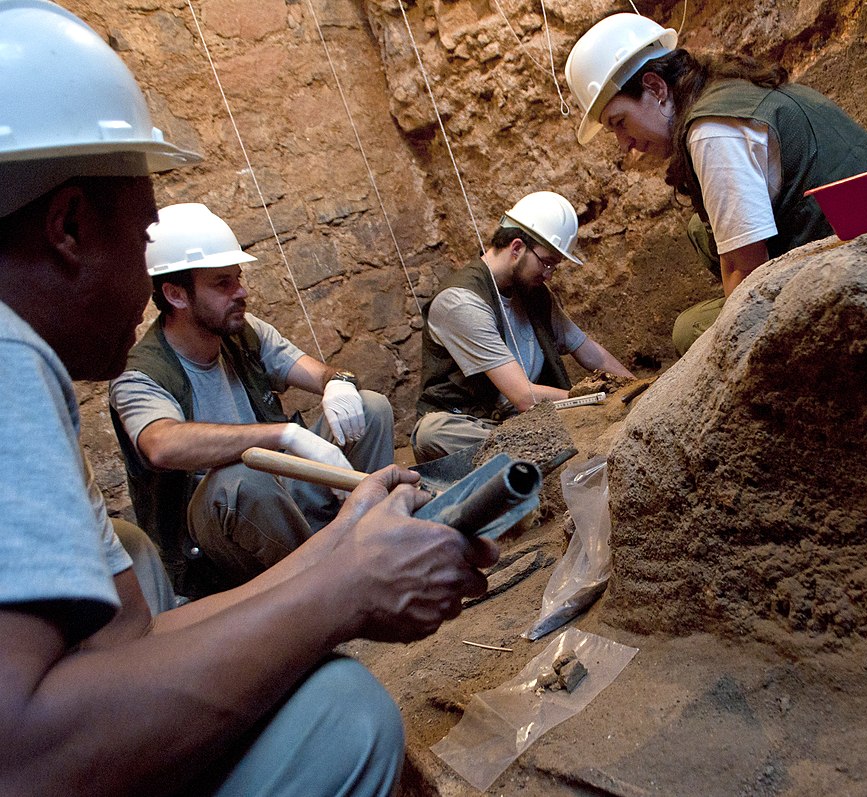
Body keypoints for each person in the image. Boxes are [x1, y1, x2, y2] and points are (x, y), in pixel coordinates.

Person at [0, 3, 497, 795]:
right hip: (219, 521)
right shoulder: (26, 360)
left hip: (268, 518)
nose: (238, 293)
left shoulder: (223, 335)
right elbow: (21, 757)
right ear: (67, 225)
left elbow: (129, 642)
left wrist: (341, 561)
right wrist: (344, 589)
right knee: (345, 710)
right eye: (140, 236)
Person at [565, 13, 867, 355]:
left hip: (862, 263)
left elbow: (745, 269)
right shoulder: (726, 90)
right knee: (700, 229)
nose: (624, 143)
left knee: (690, 331)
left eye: (620, 122)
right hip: (858, 229)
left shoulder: (711, 131)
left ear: (655, 87)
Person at [110, 202, 395, 597]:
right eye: (222, 283)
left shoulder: (244, 332)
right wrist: (283, 435)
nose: (241, 292)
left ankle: (379, 535)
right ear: (176, 294)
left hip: (285, 492)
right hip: (215, 537)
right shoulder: (140, 373)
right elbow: (161, 445)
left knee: (371, 407)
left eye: (238, 278)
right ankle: (328, 585)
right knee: (240, 478)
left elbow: (317, 372)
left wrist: (339, 383)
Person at [412, 191, 633, 462]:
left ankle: (539, 447)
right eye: (547, 262)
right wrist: (593, 401)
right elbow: (523, 396)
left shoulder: (534, 293)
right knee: (433, 433)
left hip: (521, 423)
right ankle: (544, 448)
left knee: (548, 430)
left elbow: (587, 351)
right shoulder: (461, 301)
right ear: (517, 248)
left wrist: (635, 388)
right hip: (474, 423)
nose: (549, 274)